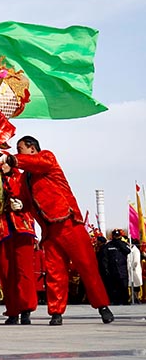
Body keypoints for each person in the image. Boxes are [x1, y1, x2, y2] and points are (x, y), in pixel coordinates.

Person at [11, 135, 113, 325]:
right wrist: (19, 205)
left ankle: (102, 306)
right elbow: (26, 201)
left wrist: (12, 160)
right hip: (49, 231)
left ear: (32, 148)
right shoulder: (25, 178)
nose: (18, 152)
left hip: (68, 223)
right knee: (54, 272)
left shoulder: (47, 158)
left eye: (20, 148)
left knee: (87, 267)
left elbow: (37, 163)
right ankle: (56, 312)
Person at [0, 159, 37, 324]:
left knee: (24, 271)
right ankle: (12, 310)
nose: (1, 165)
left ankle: (26, 309)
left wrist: (22, 203)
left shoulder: (22, 178)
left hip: (22, 227)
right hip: (0, 229)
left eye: (4, 162)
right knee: (6, 272)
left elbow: (31, 199)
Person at [100, 230, 131, 305]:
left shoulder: (123, 244)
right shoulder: (108, 246)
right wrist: (106, 269)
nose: (117, 237)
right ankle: (114, 300)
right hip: (112, 271)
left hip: (122, 270)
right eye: (115, 236)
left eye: (118, 236)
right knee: (113, 287)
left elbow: (128, 251)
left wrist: (119, 243)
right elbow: (104, 259)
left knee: (123, 286)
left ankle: (125, 300)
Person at [128, 239, 142, 304]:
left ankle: (137, 297)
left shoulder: (136, 251)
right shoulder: (129, 250)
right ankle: (132, 297)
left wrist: (132, 267)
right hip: (129, 270)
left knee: (136, 285)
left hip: (134, 270)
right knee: (131, 285)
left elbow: (136, 261)